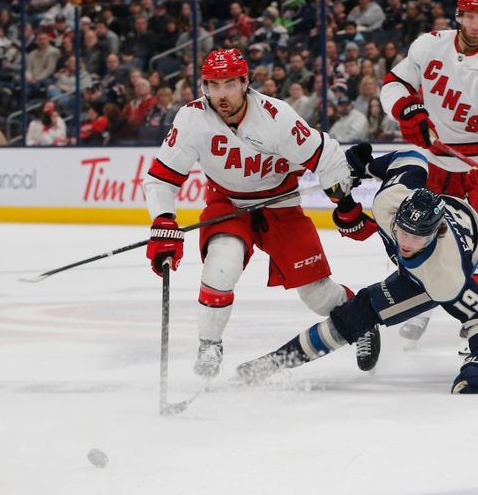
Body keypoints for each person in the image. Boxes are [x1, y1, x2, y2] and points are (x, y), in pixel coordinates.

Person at [142, 49, 380, 378]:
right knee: (221, 263)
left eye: (229, 84)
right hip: (227, 202)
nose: (221, 95)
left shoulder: (276, 117)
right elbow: (161, 179)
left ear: (245, 82)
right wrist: (163, 221)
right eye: (213, 85)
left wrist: (345, 204)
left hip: (280, 203)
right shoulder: (192, 119)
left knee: (316, 292)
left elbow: (325, 154)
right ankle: (210, 344)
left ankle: (362, 321)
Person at [235, 148, 478, 393]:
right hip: (463, 215)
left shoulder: (445, 276)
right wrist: (365, 167)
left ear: (434, 234)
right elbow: (411, 157)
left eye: (417, 236)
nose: (405, 242)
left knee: (358, 312)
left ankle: (273, 363)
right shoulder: (388, 203)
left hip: (461, 250)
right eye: (403, 231)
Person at [379, 0, 478, 349]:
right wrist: (408, 110)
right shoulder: (429, 45)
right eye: (470, 16)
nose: (476, 25)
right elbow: (393, 85)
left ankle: (477, 319)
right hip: (437, 165)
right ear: (460, 16)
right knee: (431, 240)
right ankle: (424, 309)